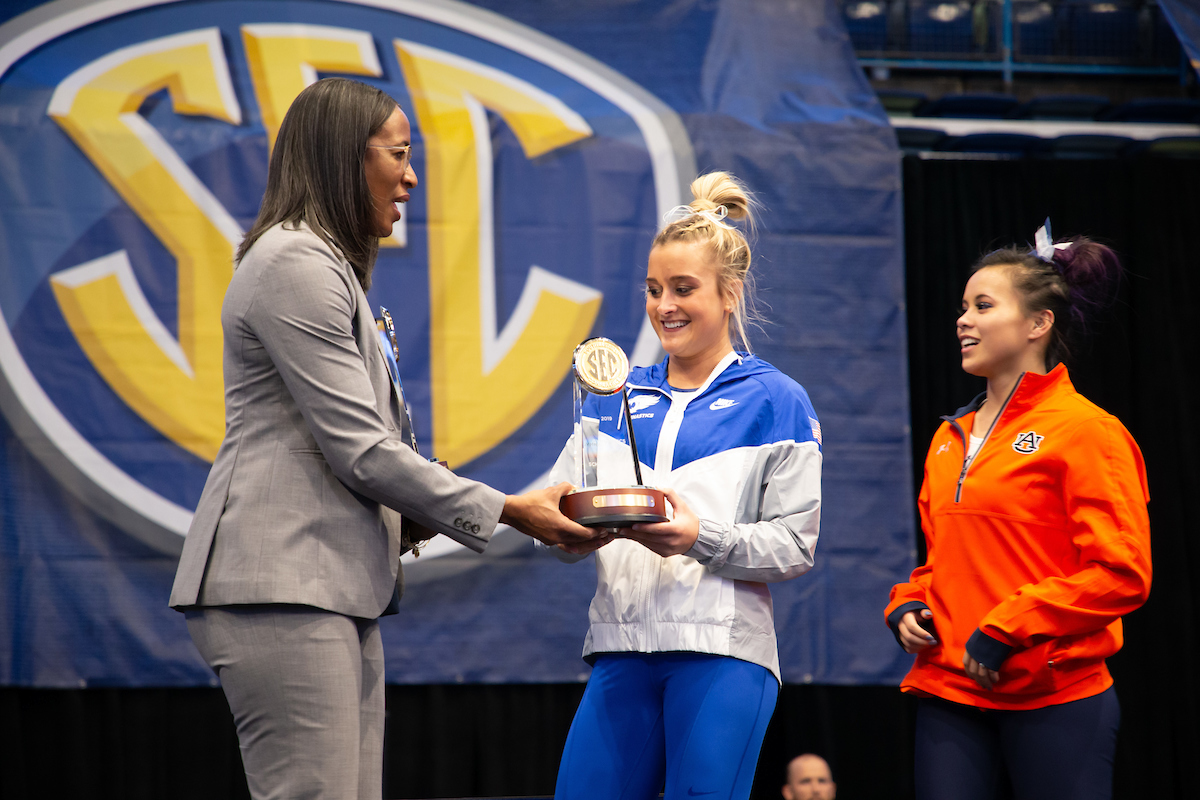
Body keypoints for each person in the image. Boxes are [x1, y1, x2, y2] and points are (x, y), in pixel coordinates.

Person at [168, 77, 594, 800]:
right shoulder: (296, 264)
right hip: (284, 585)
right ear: (344, 157)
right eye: (398, 153)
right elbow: (362, 453)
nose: (411, 175)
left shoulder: (324, 266)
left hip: (326, 586)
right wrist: (512, 511)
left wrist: (442, 512)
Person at [542, 172, 823, 800]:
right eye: (652, 289)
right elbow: (559, 511)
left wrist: (702, 537)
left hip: (722, 656)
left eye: (683, 288)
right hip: (620, 650)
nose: (663, 305)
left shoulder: (777, 400)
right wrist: (563, 533)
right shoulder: (612, 392)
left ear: (730, 294)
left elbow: (794, 546)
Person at [884, 222, 1152, 800]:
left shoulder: (1087, 432)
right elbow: (947, 564)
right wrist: (910, 602)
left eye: (983, 305)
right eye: (963, 307)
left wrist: (1012, 625)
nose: (963, 320)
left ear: (1037, 324)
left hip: (1057, 694)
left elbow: (1121, 573)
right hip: (951, 690)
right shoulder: (948, 437)